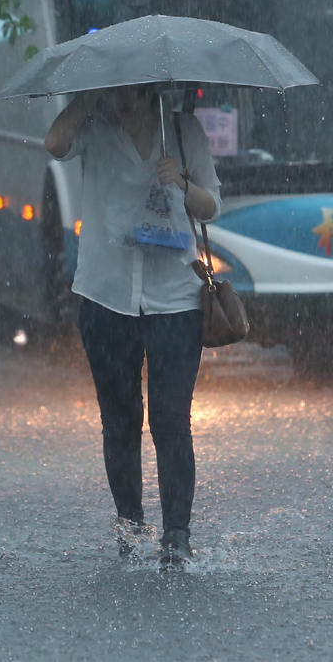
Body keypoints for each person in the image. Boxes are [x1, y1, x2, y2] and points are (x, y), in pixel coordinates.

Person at [44, 85, 222, 566]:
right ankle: (129, 524)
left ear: (154, 89)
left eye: (136, 89)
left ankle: (177, 534)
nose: (126, 97)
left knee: (170, 418)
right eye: (118, 88)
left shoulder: (184, 131)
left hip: (175, 300)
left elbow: (212, 207)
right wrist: (84, 99)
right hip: (106, 295)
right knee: (120, 421)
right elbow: (54, 144)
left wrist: (183, 185)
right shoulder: (95, 128)